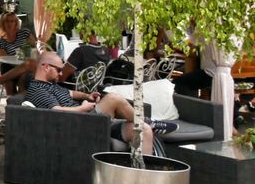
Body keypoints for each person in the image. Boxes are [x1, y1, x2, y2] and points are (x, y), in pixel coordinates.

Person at [27, 51, 174, 155]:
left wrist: (88, 96)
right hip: (77, 124)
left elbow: (71, 93)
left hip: (90, 120)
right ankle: (151, 121)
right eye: (59, 70)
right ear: (45, 67)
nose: (61, 73)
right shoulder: (37, 89)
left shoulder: (51, 85)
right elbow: (57, 111)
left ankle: (143, 178)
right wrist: (82, 107)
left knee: (143, 130)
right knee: (112, 98)